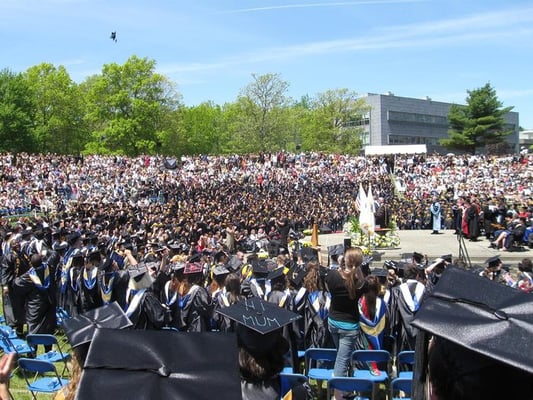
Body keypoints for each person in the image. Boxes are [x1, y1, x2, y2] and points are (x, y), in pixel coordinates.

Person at [324, 246, 367, 398]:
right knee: (342, 360)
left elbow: (328, 286)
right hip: (350, 325)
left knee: (341, 356)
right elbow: (360, 281)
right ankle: (338, 395)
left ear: (345, 260)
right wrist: (357, 268)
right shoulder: (361, 283)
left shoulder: (332, 276)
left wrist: (341, 264)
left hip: (333, 322)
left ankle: (343, 391)